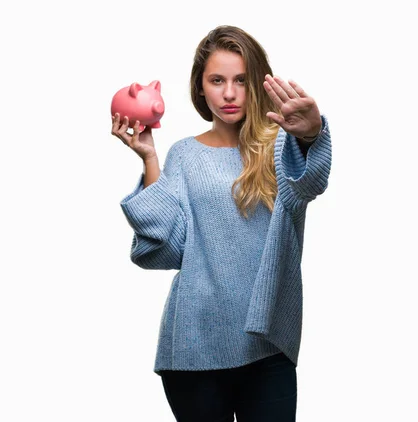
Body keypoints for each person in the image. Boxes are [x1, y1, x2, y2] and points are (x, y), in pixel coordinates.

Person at [111, 25, 332, 422]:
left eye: (241, 81)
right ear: (200, 88)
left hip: (267, 343)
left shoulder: (281, 145)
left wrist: (312, 134)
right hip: (194, 348)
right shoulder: (184, 155)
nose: (229, 93)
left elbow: (309, 183)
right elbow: (162, 251)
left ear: (258, 85)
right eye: (217, 80)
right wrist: (150, 161)